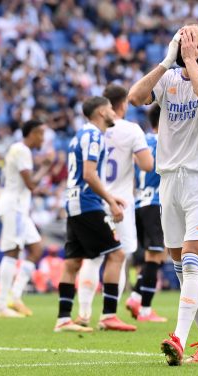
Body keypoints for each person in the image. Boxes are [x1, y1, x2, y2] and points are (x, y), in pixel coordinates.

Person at [128, 23, 198, 365]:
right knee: (182, 266)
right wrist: (166, 60)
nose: (184, 41)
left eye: (191, 37)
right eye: (179, 36)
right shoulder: (169, 78)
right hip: (170, 180)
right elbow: (134, 97)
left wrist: (189, 61)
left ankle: (178, 337)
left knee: (191, 262)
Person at [53, 96, 136, 333]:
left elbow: (84, 176)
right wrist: (110, 201)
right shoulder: (93, 136)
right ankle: (109, 315)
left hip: (75, 202)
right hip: (86, 204)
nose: (114, 112)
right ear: (101, 112)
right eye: (110, 108)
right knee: (117, 254)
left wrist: (107, 196)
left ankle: (63, 319)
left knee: (73, 262)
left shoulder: (80, 135)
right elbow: (89, 174)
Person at [76, 84, 154, 326]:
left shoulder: (88, 130)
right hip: (121, 200)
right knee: (119, 257)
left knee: (93, 258)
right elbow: (147, 165)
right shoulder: (132, 130)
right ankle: (109, 314)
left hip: (94, 200)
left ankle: (84, 312)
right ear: (122, 105)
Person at [0, 119, 50, 318]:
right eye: (40, 134)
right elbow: (31, 184)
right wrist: (46, 167)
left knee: (36, 249)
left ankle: (15, 296)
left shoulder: (18, 150)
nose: (43, 138)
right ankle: (1, 305)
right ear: (32, 133)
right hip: (14, 207)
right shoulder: (22, 150)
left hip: (18, 207)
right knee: (12, 251)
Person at [125, 105, 168, 322]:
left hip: (140, 202)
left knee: (157, 255)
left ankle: (135, 297)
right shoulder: (166, 142)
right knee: (155, 255)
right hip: (156, 202)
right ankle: (144, 309)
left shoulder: (142, 142)